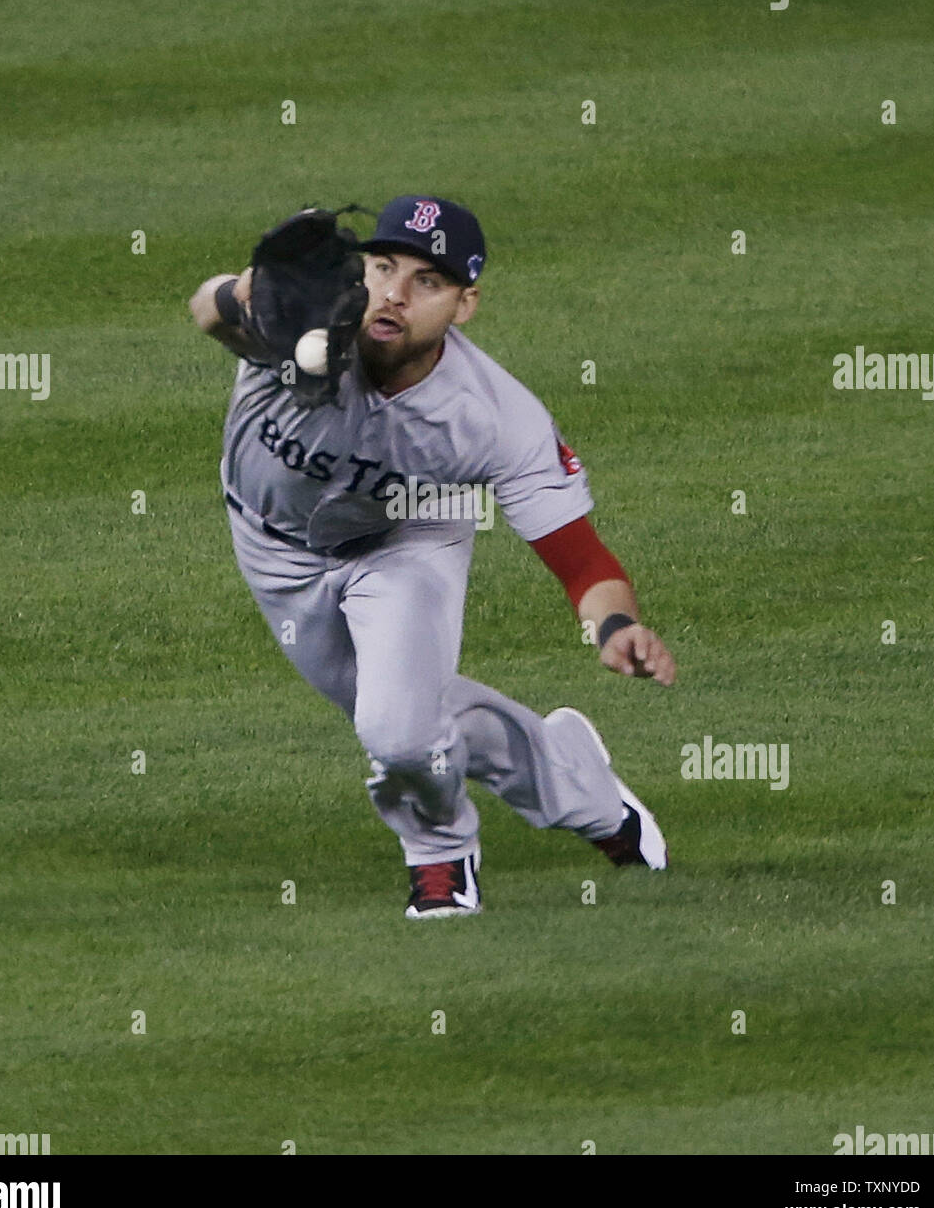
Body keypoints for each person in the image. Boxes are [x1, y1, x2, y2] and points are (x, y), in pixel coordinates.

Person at [189, 195, 676, 919]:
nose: (393, 292)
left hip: (408, 537)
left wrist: (614, 628)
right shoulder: (293, 323)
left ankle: (440, 855)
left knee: (397, 732)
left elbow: (577, 555)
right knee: (409, 717)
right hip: (271, 547)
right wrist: (244, 291)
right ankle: (582, 783)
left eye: (426, 281)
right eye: (383, 266)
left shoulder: (493, 418)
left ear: (464, 303)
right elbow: (207, 309)